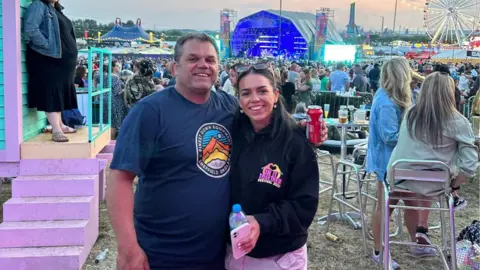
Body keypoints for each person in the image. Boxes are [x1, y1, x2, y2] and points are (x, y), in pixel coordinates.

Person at [107, 32, 329, 270]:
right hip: (163, 254)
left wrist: (302, 131)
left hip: (218, 253)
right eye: (193, 59)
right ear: (174, 67)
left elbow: (263, 118)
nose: (203, 65)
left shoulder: (227, 106)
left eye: (210, 60)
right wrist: (128, 248)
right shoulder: (150, 112)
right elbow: (120, 179)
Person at [226, 64, 319, 270]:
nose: (254, 99)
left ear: (276, 95)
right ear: (239, 100)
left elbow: (304, 205)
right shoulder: (232, 134)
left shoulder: (295, 141)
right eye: (246, 93)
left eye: (262, 91)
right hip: (235, 252)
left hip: (279, 256)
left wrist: (262, 222)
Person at [367, 58, 435, 269]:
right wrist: (416, 134)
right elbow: (390, 136)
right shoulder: (386, 102)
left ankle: (417, 243)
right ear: (401, 75)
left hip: (400, 162)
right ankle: (379, 251)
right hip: (389, 164)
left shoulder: (391, 98)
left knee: (411, 201)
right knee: (386, 206)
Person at [388, 71, 478, 210]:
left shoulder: (410, 114)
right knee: (436, 171)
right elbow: (469, 163)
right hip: (434, 183)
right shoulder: (457, 121)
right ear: (450, 92)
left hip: (399, 178)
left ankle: (420, 228)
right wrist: (455, 184)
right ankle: (423, 226)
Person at [24, 0, 78, 142]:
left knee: (58, 93)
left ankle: (60, 124)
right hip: (48, 61)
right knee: (51, 92)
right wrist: (47, 46)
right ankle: (56, 129)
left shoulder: (56, 9)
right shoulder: (38, 6)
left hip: (61, 63)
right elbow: (31, 29)